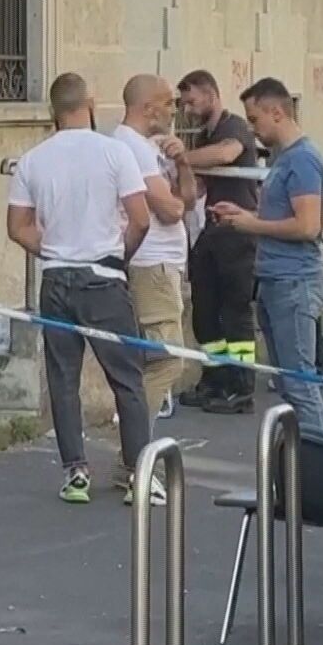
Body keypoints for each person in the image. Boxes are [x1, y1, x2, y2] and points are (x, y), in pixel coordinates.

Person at [5, 73, 156, 507]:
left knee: (63, 379)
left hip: (56, 279)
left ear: (52, 111)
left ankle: (75, 473)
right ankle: (138, 474)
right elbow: (140, 218)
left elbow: (17, 227)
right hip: (103, 277)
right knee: (127, 379)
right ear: (90, 103)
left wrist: (53, 249)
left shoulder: (32, 160)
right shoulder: (114, 152)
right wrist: (119, 256)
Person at [210, 77, 323, 434]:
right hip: (275, 282)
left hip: (293, 283)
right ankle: (301, 458)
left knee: (301, 386)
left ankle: (318, 461)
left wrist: (252, 224)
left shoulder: (303, 160)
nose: (252, 129)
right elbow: (283, 216)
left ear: (277, 112)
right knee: (289, 386)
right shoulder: (285, 158)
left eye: (254, 119)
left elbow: (308, 226)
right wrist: (243, 214)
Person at [109, 74, 197, 452]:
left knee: (160, 360)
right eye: (168, 103)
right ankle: (132, 455)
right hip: (152, 265)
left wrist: (182, 161)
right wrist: (174, 199)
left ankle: (134, 453)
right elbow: (170, 210)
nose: (174, 110)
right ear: (149, 108)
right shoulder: (130, 147)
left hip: (166, 264)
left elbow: (188, 199)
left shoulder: (151, 147)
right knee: (167, 361)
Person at [176, 69, 261, 414]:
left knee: (235, 313)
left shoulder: (233, 127)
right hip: (210, 231)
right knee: (205, 312)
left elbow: (226, 155)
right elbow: (197, 187)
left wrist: (179, 157)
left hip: (238, 232)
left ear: (210, 94)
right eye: (184, 104)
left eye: (191, 101)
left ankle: (241, 387)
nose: (187, 110)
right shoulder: (202, 137)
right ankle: (214, 378)